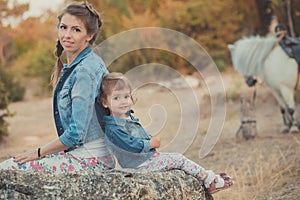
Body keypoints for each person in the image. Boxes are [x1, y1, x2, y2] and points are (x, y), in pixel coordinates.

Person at [0, 1, 115, 173]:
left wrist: (38, 152)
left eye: (76, 30)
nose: (67, 35)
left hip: (90, 159)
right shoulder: (87, 62)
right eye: (63, 27)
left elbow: (76, 133)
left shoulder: (84, 71)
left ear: (89, 35)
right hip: (84, 153)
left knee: (7, 169)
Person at [98, 72, 233, 194]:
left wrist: (149, 140)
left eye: (126, 96)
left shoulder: (127, 117)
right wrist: (149, 143)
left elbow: (138, 135)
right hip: (138, 165)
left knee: (173, 159)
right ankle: (209, 180)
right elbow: (128, 144)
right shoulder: (113, 128)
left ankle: (205, 178)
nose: (123, 102)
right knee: (178, 159)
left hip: (145, 159)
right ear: (105, 102)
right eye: (116, 98)